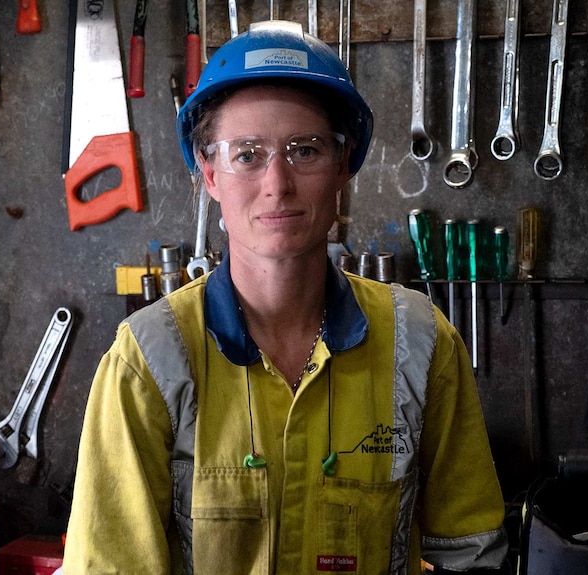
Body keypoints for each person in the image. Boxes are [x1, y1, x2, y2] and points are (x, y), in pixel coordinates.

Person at [62, 20, 507, 575]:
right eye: (246, 154)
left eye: (305, 150)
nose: (277, 183)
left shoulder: (419, 342)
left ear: (343, 165)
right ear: (208, 173)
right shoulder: (148, 360)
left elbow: (471, 554)